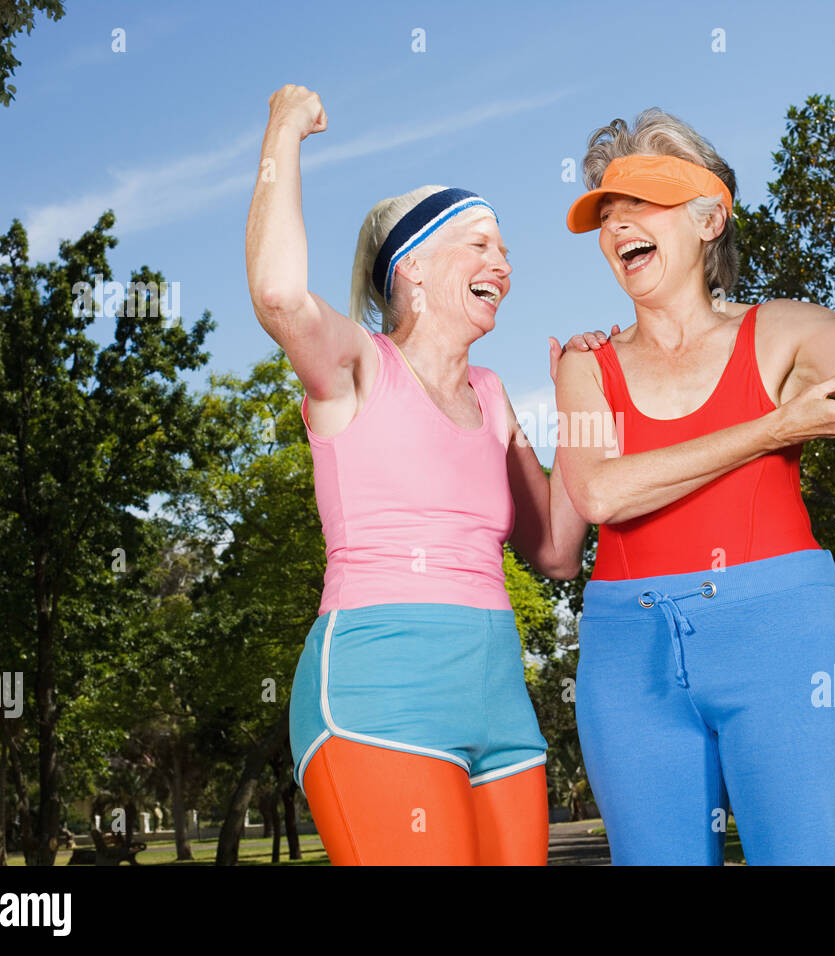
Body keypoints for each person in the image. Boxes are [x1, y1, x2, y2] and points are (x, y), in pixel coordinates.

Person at [555, 107, 835, 865]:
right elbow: (601, 496)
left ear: (710, 216)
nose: (618, 228)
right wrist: (772, 430)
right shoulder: (586, 366)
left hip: (782, 638)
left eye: (641, 206)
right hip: (626, 653)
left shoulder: (779, 334)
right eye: (607, 215)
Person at [246, 84, 605, 865]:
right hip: (381, 691)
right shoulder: (356, 369)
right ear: (410, 267)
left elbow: (553, 552)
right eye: (479, 244)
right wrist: (285, 130)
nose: (502, 265)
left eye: (505, 251)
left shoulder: (491, 393)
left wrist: (585, 405)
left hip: (500, 706)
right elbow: (278, 295)